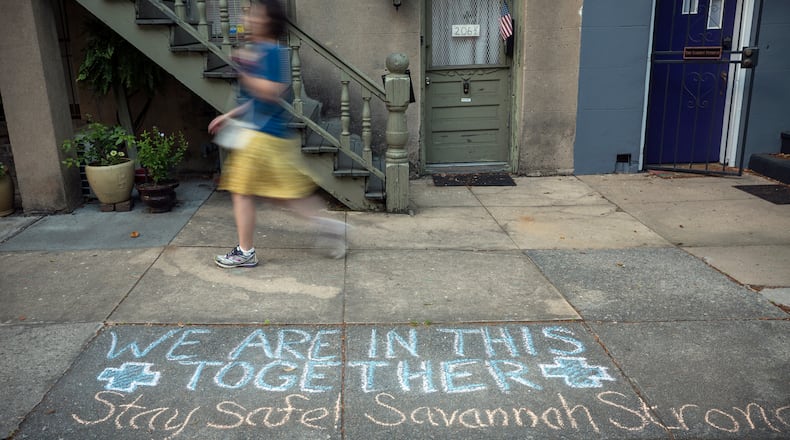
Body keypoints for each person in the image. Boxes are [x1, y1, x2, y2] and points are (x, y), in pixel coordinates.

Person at [208, 0, 345, 268]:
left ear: (268, 21)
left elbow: (274, 91)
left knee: (241, 191)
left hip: (263, 136)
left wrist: (244, 72)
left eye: (255, 14)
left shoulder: (275, 53)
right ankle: (331, 228)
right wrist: (229, 115)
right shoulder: (256, 50)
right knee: (282, 196)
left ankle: (245, 252)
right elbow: (253, 100)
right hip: (260, 134)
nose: (249, 18)